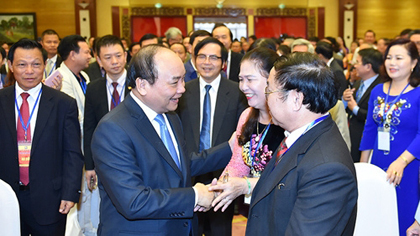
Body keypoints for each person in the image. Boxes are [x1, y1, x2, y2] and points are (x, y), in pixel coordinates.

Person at [91, 45, 234, 236]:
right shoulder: (113, 129)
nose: (183, 89)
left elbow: (180, 164)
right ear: (142, 85)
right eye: (174, 82)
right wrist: (195, 196)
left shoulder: (170, 115)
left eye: (183, 79)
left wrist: (230, 148)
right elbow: (134, 201)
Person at [210, 52, 357, 235]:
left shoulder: (328, 169)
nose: (266, 98)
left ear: (296, 99)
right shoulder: (297, 135)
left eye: (269, 91)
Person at [0, 38, 83, 235]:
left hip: (50, 198)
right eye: (22, 64)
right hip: (6, 197)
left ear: (44, 65)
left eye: (36, 64)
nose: (29, 71)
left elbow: (72, 153)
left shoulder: (63, 104)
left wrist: (70, 193)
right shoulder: (1, 100)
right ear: (10, 66)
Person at [176, 37, 248, 236]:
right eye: (202, 57)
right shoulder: (182, 91)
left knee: (220, 230)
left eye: (214, 58)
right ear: (194, 59)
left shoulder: (237, 92)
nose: (207, 62)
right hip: (190, 173)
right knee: (190, 229)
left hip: (222, 174)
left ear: (223, 63)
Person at [213, 47, 285, 215]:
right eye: (240, 79)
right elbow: (238, 164)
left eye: (250, 80)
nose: (243, 87)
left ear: (272, 80)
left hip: (281, 208)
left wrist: (247, 184)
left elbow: (288, 178)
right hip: (254, 208)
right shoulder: (247, 116)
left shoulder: (287, 120)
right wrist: (220, 187)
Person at [360, 39, 420, 235]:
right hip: (378, 162)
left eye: (399, 58)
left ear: (413, 63)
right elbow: (369, 129)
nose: (392, 62)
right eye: (389, 57)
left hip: (408, 166)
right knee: (378, 216)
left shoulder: (418, 93)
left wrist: (402, 162)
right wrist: (363, 168)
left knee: (403, 217)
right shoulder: (378, 90)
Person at [83, 35, 130, 235]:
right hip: (105, 160)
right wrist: (89, 165)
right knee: (108, 206)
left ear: (126, 56)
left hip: (134, 157)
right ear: (99, 61)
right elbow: (89, 128)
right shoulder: (93, 88)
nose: (115, 61)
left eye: (118, 55)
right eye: (108, 57)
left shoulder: (140, 84)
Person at [343, 48, 383, 162]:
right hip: (352, 135)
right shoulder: (358, 82)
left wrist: (355, 109)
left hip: (366, 138)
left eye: (358, 62)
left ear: (368, 67)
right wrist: (345, 99)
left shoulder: (381, 87)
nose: (354, 65)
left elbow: (378, 116)